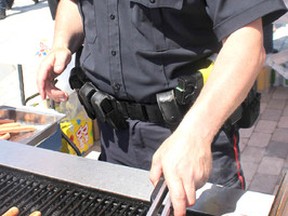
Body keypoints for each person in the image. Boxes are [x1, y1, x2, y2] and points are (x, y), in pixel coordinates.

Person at [37, 0, 287, 215]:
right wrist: (62, 44)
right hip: (113, 141)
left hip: (188, 141)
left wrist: (194, 136)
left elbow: (247, 43)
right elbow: (73, 3)